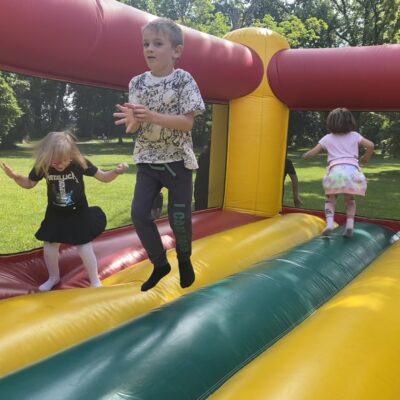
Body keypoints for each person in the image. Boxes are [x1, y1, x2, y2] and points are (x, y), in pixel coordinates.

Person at [113, 18, 205, 291]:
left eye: (157, 44)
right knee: (139, 214)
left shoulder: (183, 80)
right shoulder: (137, 83)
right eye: (146, 44)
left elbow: (187, 123)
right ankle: (160, 263)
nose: (149, 49)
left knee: (179, 219)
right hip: (148, 160)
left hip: (177, 162)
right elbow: (135, 126)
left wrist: (152, 116)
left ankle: (184, 258)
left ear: (176, 51)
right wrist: (132, 121)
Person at [0, 131, 128, 291]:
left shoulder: (80, 162)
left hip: (78, 211)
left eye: (64, 161)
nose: (60, 165)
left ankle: (95, 280)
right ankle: (54, 277)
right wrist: (15, 176)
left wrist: (115, 172)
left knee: (83, 246)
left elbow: (103, 177)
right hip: (55, 213)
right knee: (50, 246)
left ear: (71, 154)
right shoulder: (43, 165)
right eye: (55, 162)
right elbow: (29, 184)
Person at [303, 107, 374, 237]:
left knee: (330, 199)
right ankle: (350, 225)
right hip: (352, 174)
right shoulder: (355, 136)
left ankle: (330, 224)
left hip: (335, 174)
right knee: (350, 199)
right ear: (350, 122)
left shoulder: (327, 138)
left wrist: (306, 156)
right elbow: (370, 145)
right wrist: (365, 158)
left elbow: (313, 152)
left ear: (330, 123)